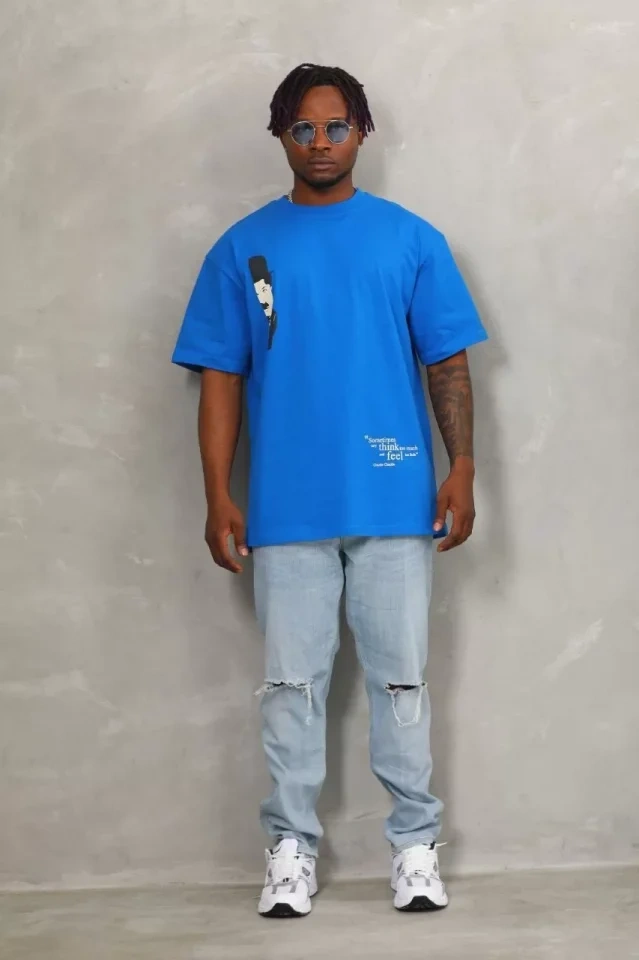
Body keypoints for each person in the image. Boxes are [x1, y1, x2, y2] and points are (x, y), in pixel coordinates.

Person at [172, 63, 487, 919]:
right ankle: (290, 851)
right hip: (287, 506)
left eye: (335, 127)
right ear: (280, 135)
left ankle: (415, 847)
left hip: (394, 499)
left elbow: (446, 361)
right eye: (302, 128)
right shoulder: (242, 248)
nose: (320, 143)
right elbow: (220, 379)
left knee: (401, 683)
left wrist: (460, 467)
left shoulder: (410, 239)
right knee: (290, 688)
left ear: (361, 132)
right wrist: (217, 494)